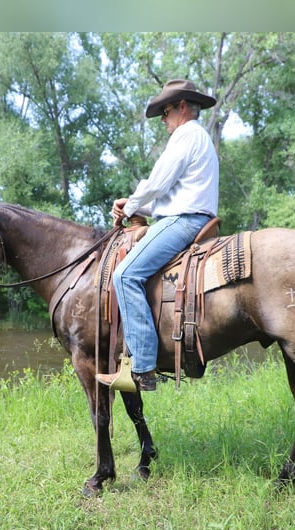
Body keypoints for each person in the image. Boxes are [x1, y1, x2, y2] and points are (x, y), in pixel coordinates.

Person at [96, 79, 219, 392]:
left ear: (181, 107)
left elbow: (157, 182)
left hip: (185, 220)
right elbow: (168, 196)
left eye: (165, 112)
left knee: (124, 276)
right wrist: (136, 204)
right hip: (187, 215)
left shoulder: (187, 134)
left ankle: (142, 367)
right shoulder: (198, 138)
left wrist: (131, 206)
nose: (163, 120)